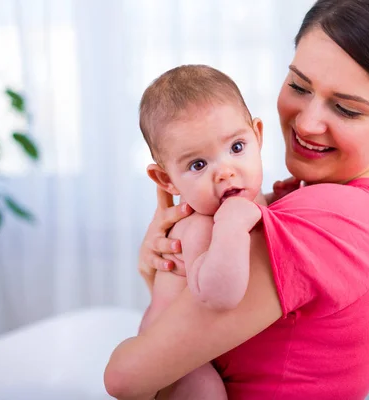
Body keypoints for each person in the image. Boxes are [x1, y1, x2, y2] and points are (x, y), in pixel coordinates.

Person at [105, 0, 369, 398]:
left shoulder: (327, 221)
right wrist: (168, 271)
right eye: (299, 86)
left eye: (346, 109)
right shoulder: (350, 207)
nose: (305, 123)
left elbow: (127, 375)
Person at [136, 64, 267, 399]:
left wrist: (282, 196)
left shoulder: (235, 202)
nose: (225, 172)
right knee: (205, 391)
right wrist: (232, 226)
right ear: (167, 181)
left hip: (197, 347)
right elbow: (220, 296)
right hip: (172, 359)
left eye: (237, 147)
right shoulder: (199, 227)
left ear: (258, 136)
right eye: (198, 164)